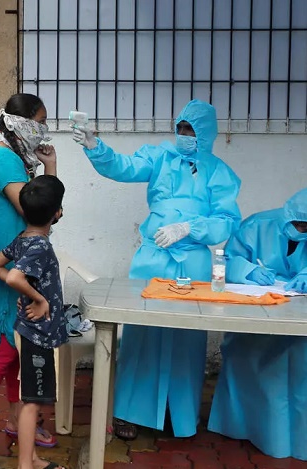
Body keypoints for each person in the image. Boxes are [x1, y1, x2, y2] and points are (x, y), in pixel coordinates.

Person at [72, 100, 241, 440]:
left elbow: (227, 221)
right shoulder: (160, 156)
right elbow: (123, 167)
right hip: (153, 256)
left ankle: (179, 413)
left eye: (192, 130)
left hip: (192, 260)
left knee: (186, 336)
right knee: (142, 332)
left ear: (206, 134)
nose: (184, 135)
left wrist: (189, 228)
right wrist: (95, 146)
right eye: (181, 127)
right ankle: (128, 411)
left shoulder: (220, 173)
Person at [0, 93, 58, 448]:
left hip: (15, 259)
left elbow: (44, 208)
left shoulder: (16, 159)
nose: (44, 129)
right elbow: (35, 209)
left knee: (16, 349)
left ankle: (17, 421)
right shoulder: (4, 159)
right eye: (40, 122)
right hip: (6, 264)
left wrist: (47, 168)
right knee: (2, 348)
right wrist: (52, 169)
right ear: (22, 123)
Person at [207, 188, 307, 461]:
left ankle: (298, 440)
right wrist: (249, 271)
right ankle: (249, 429)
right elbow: (225, 261)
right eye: (299, 224)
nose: (302, 230)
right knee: (257, 366)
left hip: (301, 321)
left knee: (300, 370)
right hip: (257, 314)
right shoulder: (257, 225)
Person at [0, 175, 67, 469]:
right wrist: (39, 299)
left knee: (28, 397)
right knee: (32, 401)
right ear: (57, 213)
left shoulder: (24, 239)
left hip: (30, 331)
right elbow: (14, 276)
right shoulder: (39, 247)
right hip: (38, 335)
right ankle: (25, 464)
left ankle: (31, 457)